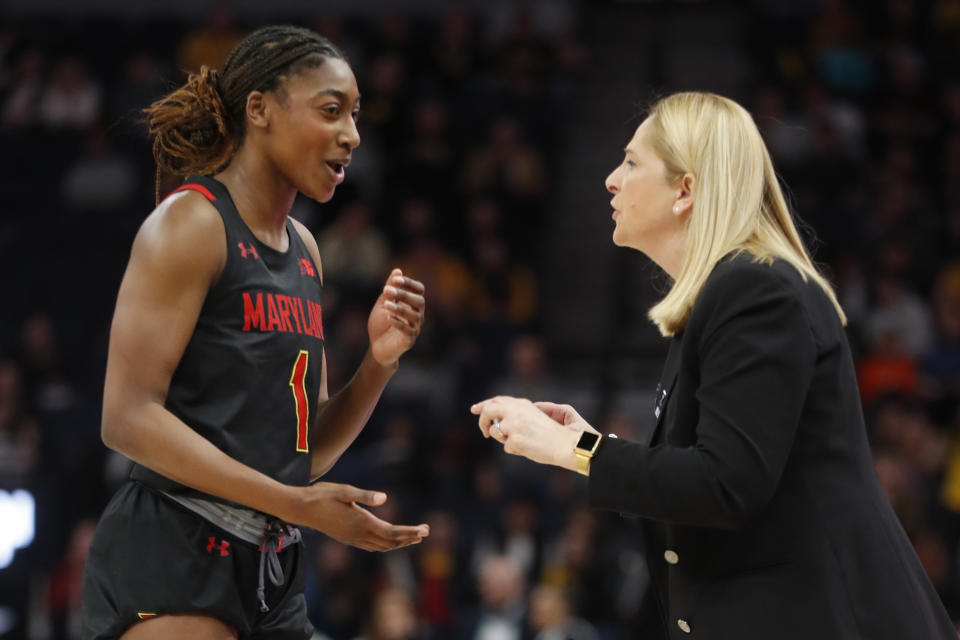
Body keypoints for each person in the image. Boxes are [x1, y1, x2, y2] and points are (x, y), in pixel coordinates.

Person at [471, 92, 956, 639]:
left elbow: (727, 484)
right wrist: (587, 445)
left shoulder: (754, 287)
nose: (611, 179)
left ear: (686, 190)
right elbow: (707, 479)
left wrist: (578, 452)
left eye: (631, 162)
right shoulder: (723, 295)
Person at [82, 25, 429, 640]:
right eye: (331, 111)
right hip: (175, 543)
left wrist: (378, 363)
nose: (352, 135)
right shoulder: (189, 223)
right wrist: (295, 506)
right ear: (260, 110)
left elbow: (305, 452)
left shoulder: (306, 250)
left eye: (355, 116)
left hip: (272, 564)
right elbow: (126, 417)